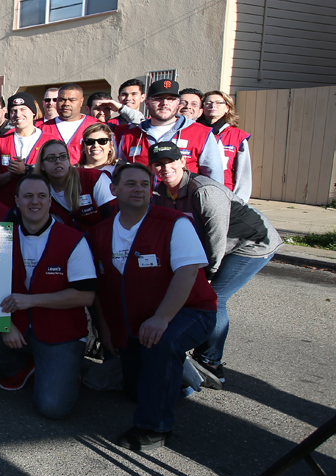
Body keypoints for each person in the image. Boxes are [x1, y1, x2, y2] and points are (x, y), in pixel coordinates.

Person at [86, 163, 218, 451]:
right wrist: (106, 333)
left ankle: (153, 429)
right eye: (130, 184)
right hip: (138, 323)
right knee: (135, 390)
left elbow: (187, 273)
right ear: (113, 189)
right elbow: (99, 291)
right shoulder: (98, 234)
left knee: (163, 343)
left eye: (144, 184)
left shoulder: (174, 223)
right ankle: (180, 376)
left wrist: (162, 318)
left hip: (191, 311)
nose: (138, 189)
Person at [0, 174, 97, 419]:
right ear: (17, 201)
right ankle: (25, 366)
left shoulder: (73, 240)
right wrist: (4, 325)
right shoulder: (0, 238)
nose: (34, 202)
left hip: (60, 335)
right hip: (18, 329)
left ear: (50, 201)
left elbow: (85, 296)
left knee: (53, 408)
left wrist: (32, 300)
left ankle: (63, 370)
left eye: (41, 196)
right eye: (27, 196)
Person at [148, 142, 281, 389]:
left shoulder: (204, 190)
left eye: (170, 162)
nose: (165, 168)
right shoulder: (161, 194)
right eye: (158, 164)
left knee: (215, 296)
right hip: (222, 246)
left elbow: (215, 237)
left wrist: (209, 272)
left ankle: (210, 361)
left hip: (253, 244)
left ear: (182, 162)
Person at [115, 78, 224, 181]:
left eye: (171, 99)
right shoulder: (130, 135)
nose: (165, 103)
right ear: (147, 103)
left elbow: (214, 178)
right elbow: (121, 174)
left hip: (183, 200)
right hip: (142, 199)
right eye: (158, 99)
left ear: (178, 103)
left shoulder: (201, 133)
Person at [0, 92, 50, 207]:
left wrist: (26, 170)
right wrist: (10, 174)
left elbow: (57, 175)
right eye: (14, 111)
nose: (18, 114)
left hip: (39, 205)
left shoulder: (50, 141)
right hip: (6, 206)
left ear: (33, 112)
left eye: (23, 109)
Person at [38, 140, 115, 231]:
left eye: (63, 156)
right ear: (42, 165)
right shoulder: (38, 189)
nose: (58, 161)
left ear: (68, 160)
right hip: (66, 242)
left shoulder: (94, 178)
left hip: (101, 239)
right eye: (51, 158)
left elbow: (113, 219)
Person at [199, 90, 252, 202]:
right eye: (208, 103)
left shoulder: (238, 136)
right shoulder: (193, 132)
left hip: (225, 194)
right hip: (195, 192)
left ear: (227, 108)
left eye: (219, 103)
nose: (213, 105)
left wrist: (238, 200)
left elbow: (243, 174)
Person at [39, 84, 99, 165]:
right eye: (62, 99)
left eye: (72, 100)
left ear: (81, 101)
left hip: (86, 175)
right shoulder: (42, 129)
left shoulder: (96, 126)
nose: (66, 103)